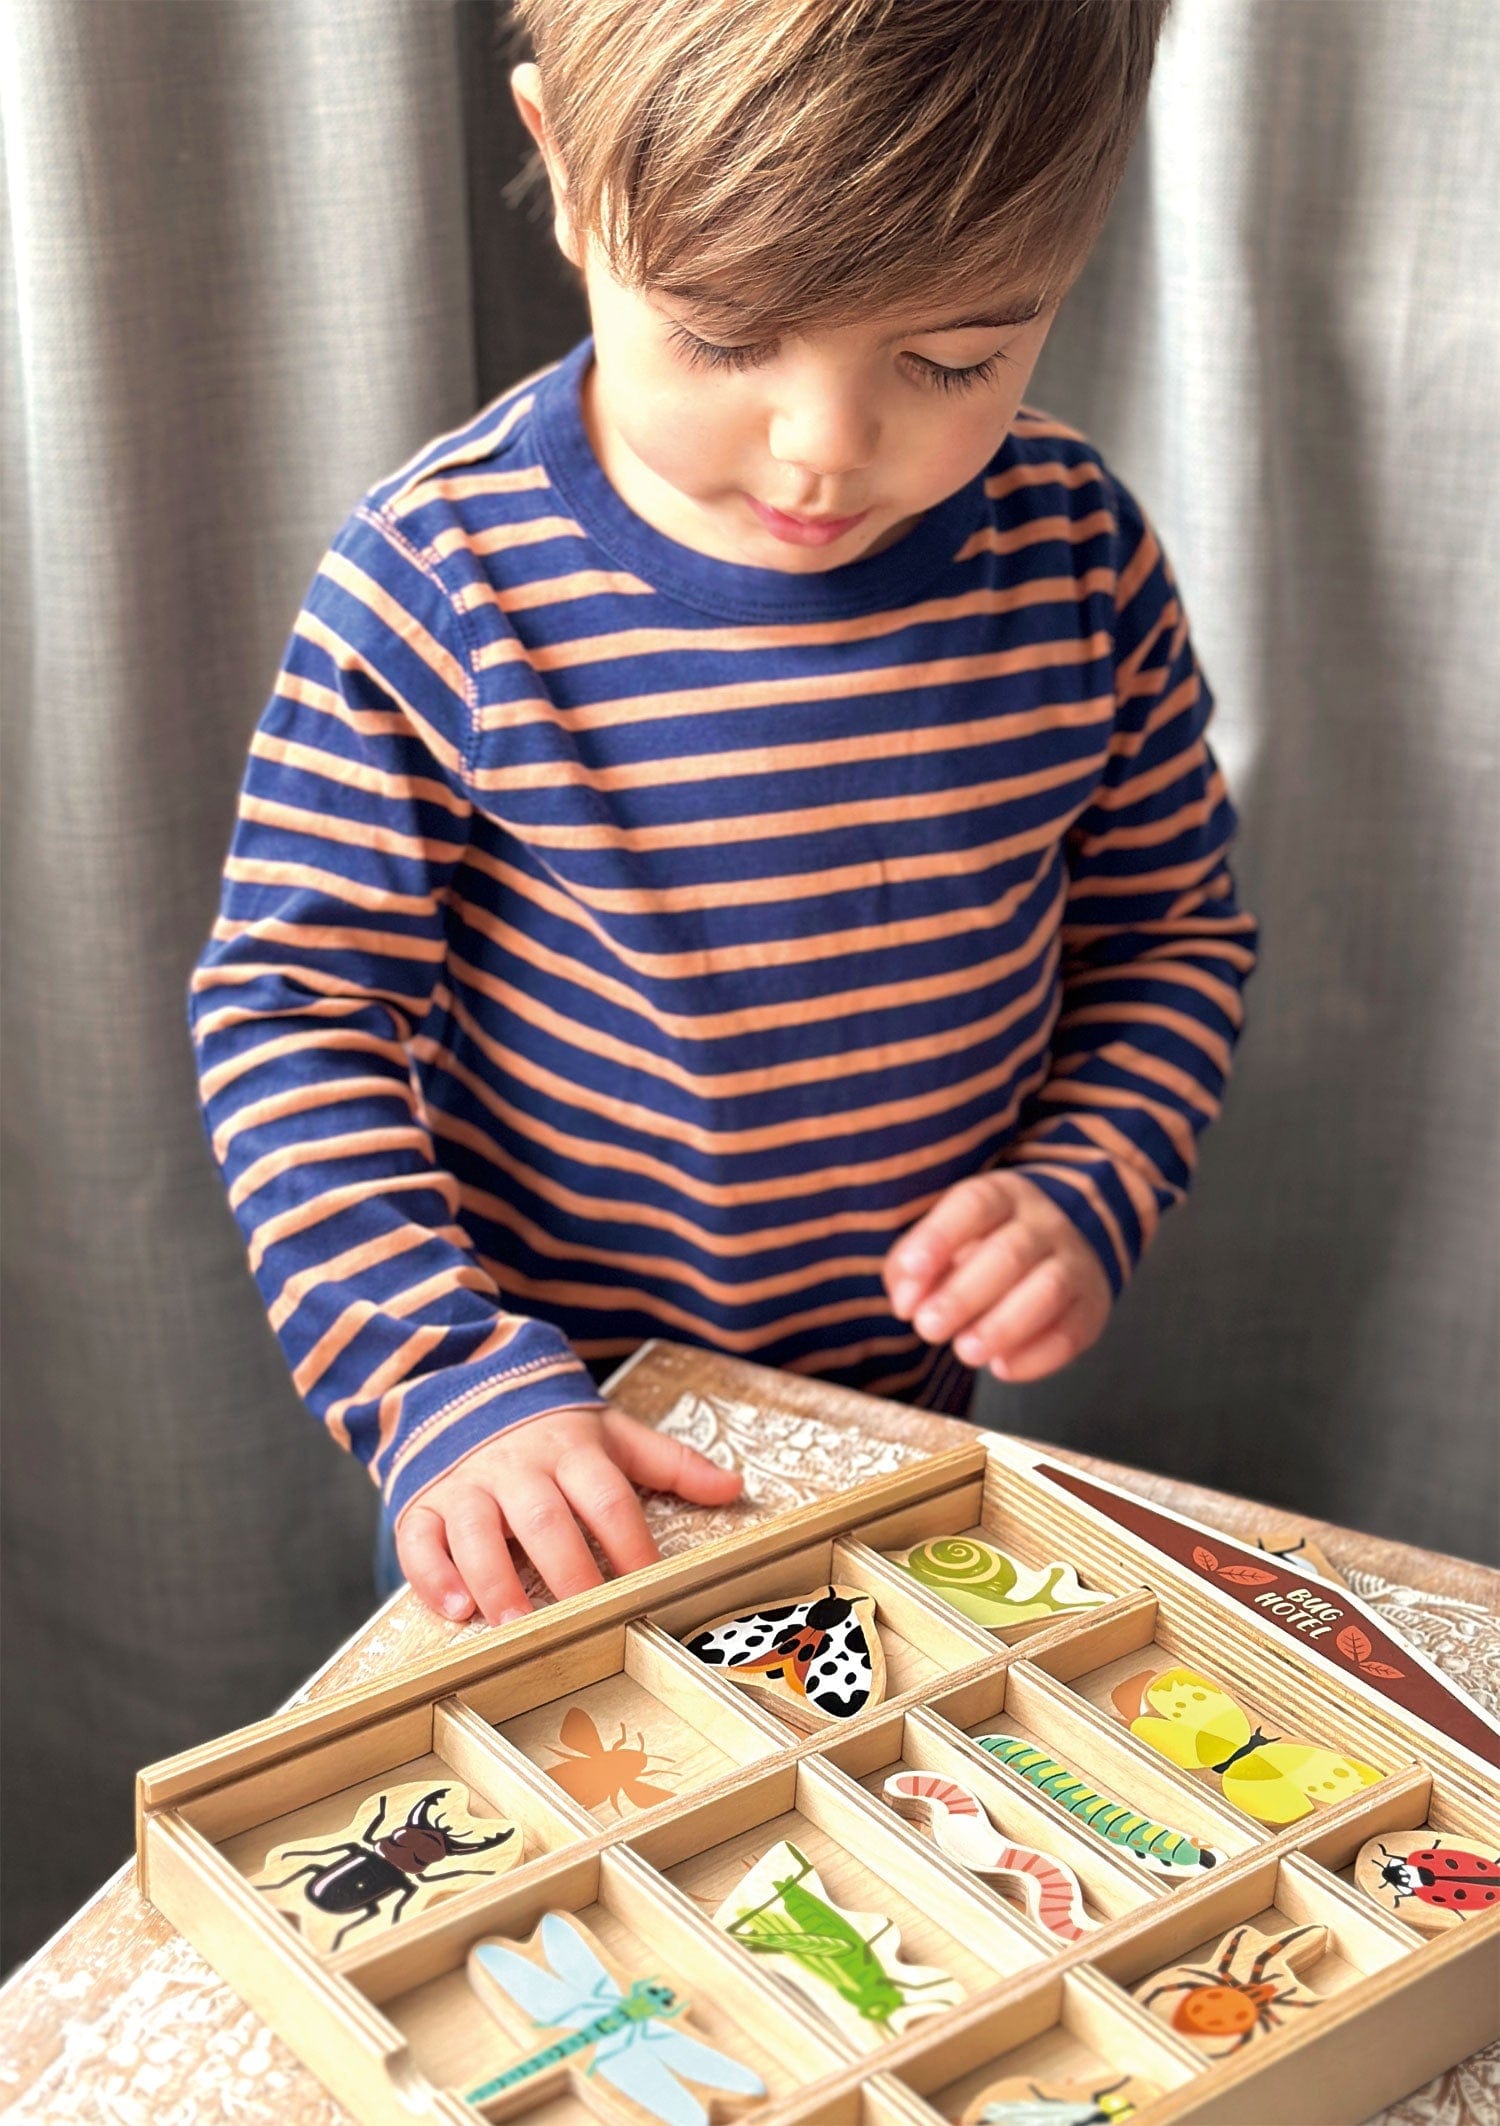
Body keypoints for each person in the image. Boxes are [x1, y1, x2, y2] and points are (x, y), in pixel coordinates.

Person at [189, 0, 1256, 1627]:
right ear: (561, 167)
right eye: (725, 332)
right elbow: (293, 1012)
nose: (826, 449)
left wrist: (1085, 1176)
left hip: (896, 1444)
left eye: (954, 355)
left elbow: (1172, 931)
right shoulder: (443, 586)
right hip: (545, 1463)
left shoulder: (1079, 560)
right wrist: (447, 1377)